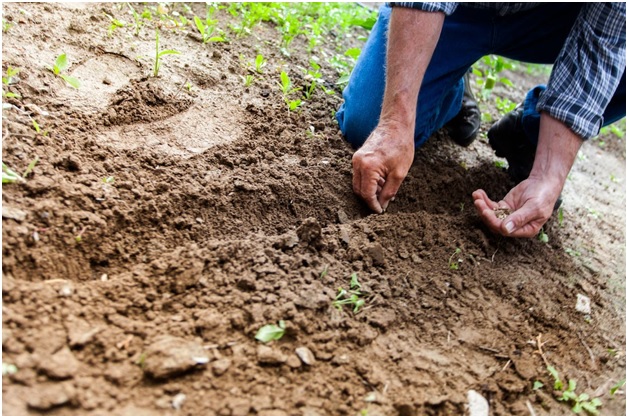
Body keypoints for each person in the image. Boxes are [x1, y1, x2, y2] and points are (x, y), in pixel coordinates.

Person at [336, 3, 626, 238]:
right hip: (458, 11)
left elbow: (604, 43)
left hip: (552, 18)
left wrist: (548, 175)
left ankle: (531, 135)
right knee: (368, 123)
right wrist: (395, 123)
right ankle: (451, 87)